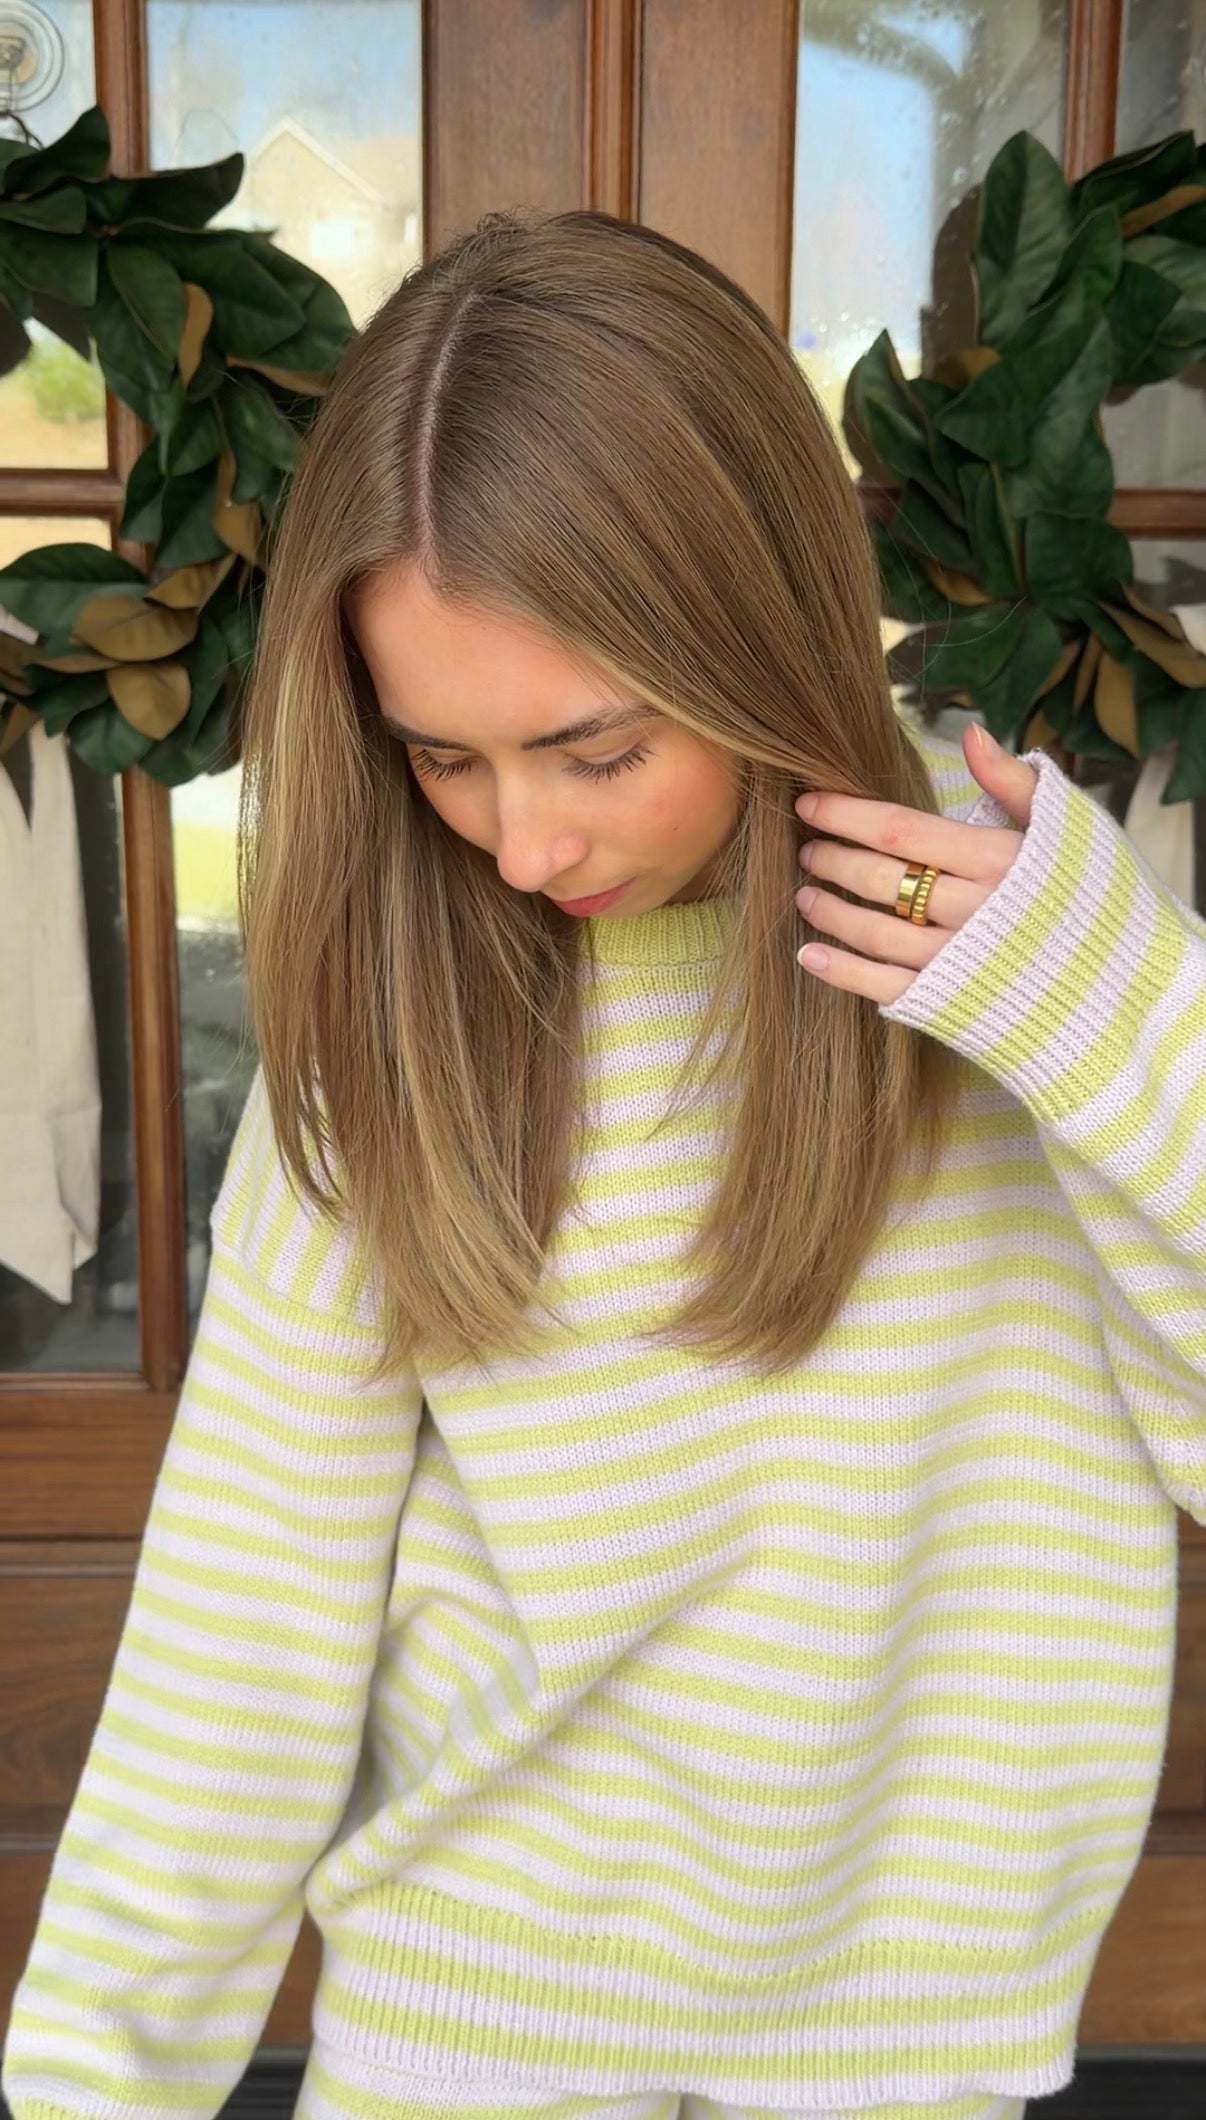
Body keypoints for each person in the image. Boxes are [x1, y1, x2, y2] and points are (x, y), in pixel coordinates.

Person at [4, 206, 1205, 2120]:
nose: (520, 848)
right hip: (466, 2020)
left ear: (754, 631)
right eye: (443, 758)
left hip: (904, 2046)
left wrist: (1123, 1023)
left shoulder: (1038, 990)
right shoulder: (395, 1035)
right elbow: (235, 1654)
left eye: (593, 745)